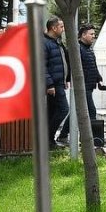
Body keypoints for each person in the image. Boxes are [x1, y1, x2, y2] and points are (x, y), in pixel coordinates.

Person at [76, 24, 106, 147]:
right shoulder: (78, 48)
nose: (93, 36)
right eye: (91, 34)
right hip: (83, 86)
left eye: (94, 34)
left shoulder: (89, 48)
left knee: (76, 111)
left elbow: (93, 65)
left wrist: (99, 79)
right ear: (83, 35)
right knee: (91, 111)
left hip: (90, 84)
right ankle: (92, 139)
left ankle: (63, 134)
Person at [42, 17, 70, 146]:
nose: (63, 29)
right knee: (64, 109)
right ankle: (48, 136)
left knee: (52, 111)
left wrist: (67, 78)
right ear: (53, 28)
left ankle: (48, 140)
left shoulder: (57, 41)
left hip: (58, 82)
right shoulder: (44, 43)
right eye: (61, 27)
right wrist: (49, 84)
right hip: (53, 84)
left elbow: (63, 61)